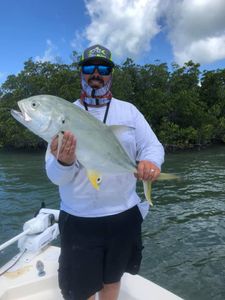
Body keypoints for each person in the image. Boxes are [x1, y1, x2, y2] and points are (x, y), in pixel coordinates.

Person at [45, 44, 165, 300]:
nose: (96, 73)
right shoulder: (62, 114)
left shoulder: (129, 111)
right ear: (81, 72)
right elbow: (55, 176)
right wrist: (63, 163)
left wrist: (150, 162)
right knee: (79, 291)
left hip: (124, 217)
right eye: (89, 67)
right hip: (79, 221)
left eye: (104, 68)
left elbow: (152, 146)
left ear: (111, 74)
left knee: (112, 280)